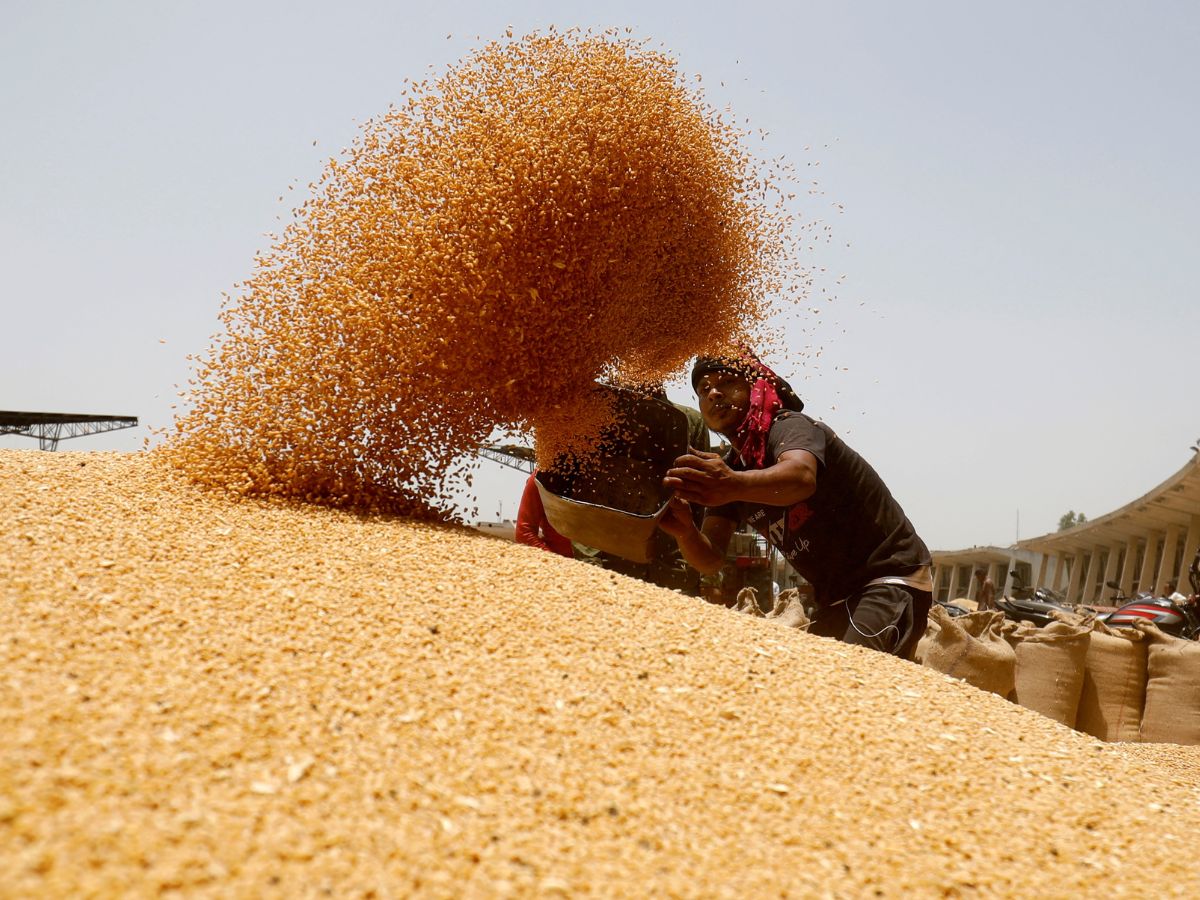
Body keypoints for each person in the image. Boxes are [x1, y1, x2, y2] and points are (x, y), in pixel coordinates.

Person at [658, 351, 933, 658]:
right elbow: (710, 559)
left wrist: (730, 484)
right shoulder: (736, 466)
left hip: (888, 580)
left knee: (848, 682)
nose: (714, 393)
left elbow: (801, 477)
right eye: (703, 389)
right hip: (835, 598)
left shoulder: (789, 427)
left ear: (757, 388)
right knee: (804, 687)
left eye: (727, 382)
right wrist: (685, 533)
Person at [514, 472, 573, 557]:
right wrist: (556, 561)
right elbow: (524, 533)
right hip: (559, 563)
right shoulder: (542, 477)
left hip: (596, 565)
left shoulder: (596, 476)